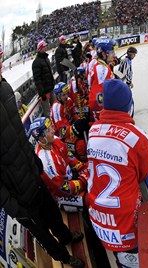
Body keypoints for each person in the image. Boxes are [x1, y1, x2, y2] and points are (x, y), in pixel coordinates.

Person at [1, 60, 85, 268]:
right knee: (43, 234)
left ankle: (66, 236)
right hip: (19, 196)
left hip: (33, 176)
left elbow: (19, 133)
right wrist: (13, 207)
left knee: (53, 215)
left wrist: (36, 163)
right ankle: (64, 258)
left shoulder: (4, 88)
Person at [86, 79, 148, 268]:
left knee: (119, 257)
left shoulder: (93, 130)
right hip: (125, 222)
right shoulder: (137, 137)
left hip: (99, 218)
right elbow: (144, 172)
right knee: (132, 261)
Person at [30, 117, 88, 212]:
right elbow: (63, 189)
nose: (53, 131)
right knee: (89, 199)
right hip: (61, 196)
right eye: (48, 130)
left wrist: (80, 166)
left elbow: (67, 155)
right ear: (41, 138)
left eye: (51, 127)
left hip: (70, 177)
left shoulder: (54, 140)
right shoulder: (46, 162)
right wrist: (83, 182)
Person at [88, 38, 116, 121]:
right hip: (102, 113)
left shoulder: (102, 65)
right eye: (111, 52)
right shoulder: (102, 70)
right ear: (104, 54)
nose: (114, 55)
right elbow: (98, 98)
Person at [32, 39, 56, 118]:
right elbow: (37, 79)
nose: (46, 47)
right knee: (48, 113)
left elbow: (49, 73)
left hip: (51, 88)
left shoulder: (46, 58)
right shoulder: (36, 62)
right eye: (44, 46)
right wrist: (42, 93)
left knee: (55, 107)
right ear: (40, 49)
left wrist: (53, 83)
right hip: (45, 92)